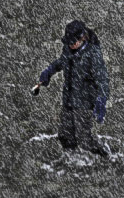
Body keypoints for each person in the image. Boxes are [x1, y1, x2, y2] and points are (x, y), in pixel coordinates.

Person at [37, 20, 111, 156]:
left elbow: (102, 79)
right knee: (65, 135)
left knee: (84, 139)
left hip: (85, 101)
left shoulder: (93, 54)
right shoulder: (68, 48)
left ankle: (104, 155)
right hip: (69, 99)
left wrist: (101, 98)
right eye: (69, 42)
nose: (71, 45)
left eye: (73, 42)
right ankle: (71, 158)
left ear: (82, 38)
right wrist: (50, 70)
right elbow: (62, 61)